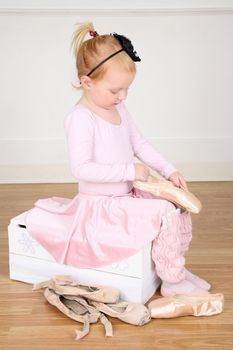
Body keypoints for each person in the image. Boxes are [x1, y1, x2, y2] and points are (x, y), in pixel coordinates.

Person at [26, 22, 211, 297]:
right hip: (100, 208)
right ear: (87, 82)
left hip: (126, 197)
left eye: (126, 89)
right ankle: (172, 282)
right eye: (115, 91)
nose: (122, 96)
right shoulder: (81, 119)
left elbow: (140, 144)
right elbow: (82, 169)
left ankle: (173, 267)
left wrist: (169, 170)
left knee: (174, 205)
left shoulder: (119, 108)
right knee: (162, 214)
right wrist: (129, 170)